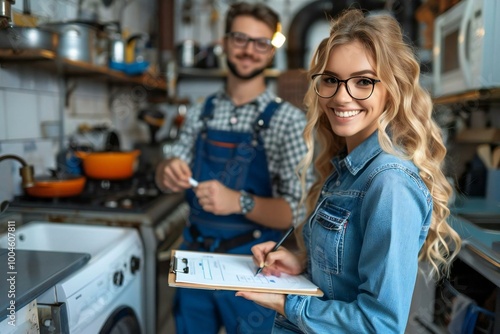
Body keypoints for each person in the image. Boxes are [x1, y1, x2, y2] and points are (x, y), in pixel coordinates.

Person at [236, 8, 462, 333]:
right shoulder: (347, 168)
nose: (342, 96)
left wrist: (285, 302)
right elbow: (346, 272)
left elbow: (378, 325)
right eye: (331, 79)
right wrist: (303, 263)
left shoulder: (390, 183)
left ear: (392, 89)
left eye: (363, 81)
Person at [155, 2, 314, 333]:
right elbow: (170, 168)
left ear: (271, 52)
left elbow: (298, 209)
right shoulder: (200, 112)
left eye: (260, 43)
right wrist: (167, 170)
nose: (249, 51)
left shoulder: (287, 121)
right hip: (195, 259)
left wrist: (238, 202)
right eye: (240, 39)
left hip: (254, 265)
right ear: (224, 43)